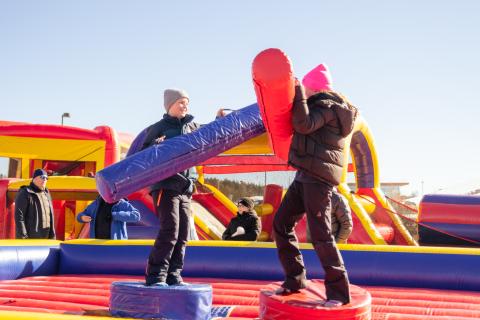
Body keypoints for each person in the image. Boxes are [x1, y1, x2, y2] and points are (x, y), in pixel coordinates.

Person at [272, 64, 358, 307]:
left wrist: (297, 91)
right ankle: (295, 279)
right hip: (305, 175)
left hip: (318, 179)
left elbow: (303, 125)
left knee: (321, 234)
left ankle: (339, 293)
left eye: (305, 88)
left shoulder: (328, 108)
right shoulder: (319, 107)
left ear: (313, 88)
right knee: (281, 223)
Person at [142, 88, 224, 286]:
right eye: (180, 102)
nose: (185, 105)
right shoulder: (159, 127)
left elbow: (209, 133)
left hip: (185, 188)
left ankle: (174, 275)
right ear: (170, 105)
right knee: (170, 230)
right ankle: (156, 275)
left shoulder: (192, 126)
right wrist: (155, 144)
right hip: (166, 185)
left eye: (187, 102)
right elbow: (144, 152)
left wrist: (218, 119)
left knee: (183, 233)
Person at [14, 168, 55, 239]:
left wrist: (52, 236)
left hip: (47, 238)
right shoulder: (25, 192)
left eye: (46, 178)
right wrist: (23, 237)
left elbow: (51, 216)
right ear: (34, 179)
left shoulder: (46, 193)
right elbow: (19, 217)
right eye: (42, 177)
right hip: (31, 238)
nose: (45, 179)